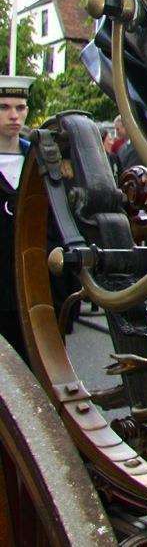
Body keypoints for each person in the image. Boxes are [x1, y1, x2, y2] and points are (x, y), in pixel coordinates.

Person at [0, 76, 33, 356]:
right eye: (4, 107)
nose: (14, 115)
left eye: (20, 107)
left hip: (31, 292)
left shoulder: (39, 162)